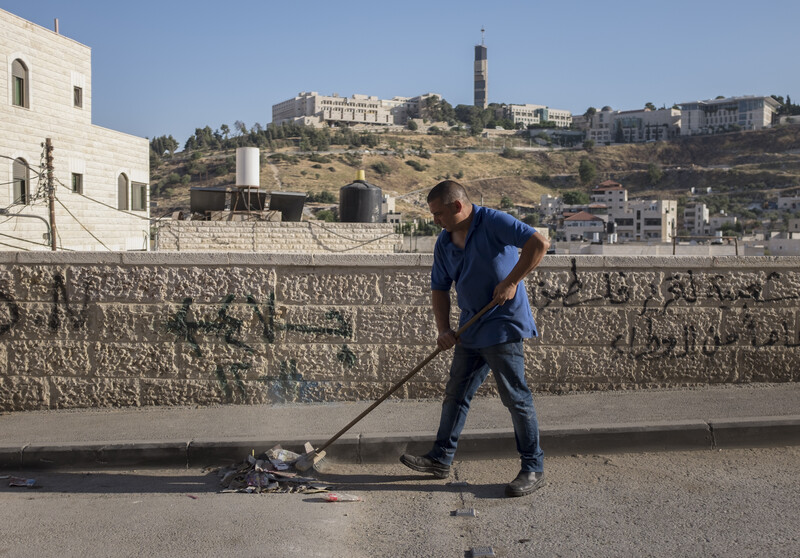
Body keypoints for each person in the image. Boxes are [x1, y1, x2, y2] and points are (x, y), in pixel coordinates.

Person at [400, 180, 550, 497]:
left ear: (457, 206)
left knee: (515, 397)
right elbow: (439, 288)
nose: (436, 220)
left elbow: (538, 244)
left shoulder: (493, 221)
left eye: (439, 214)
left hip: (503, 324)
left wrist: (512, 282)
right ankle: (440, 458)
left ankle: (533, 467)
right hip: (470, 327)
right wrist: (443, 330)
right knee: (456, 393)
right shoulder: (444, 243)